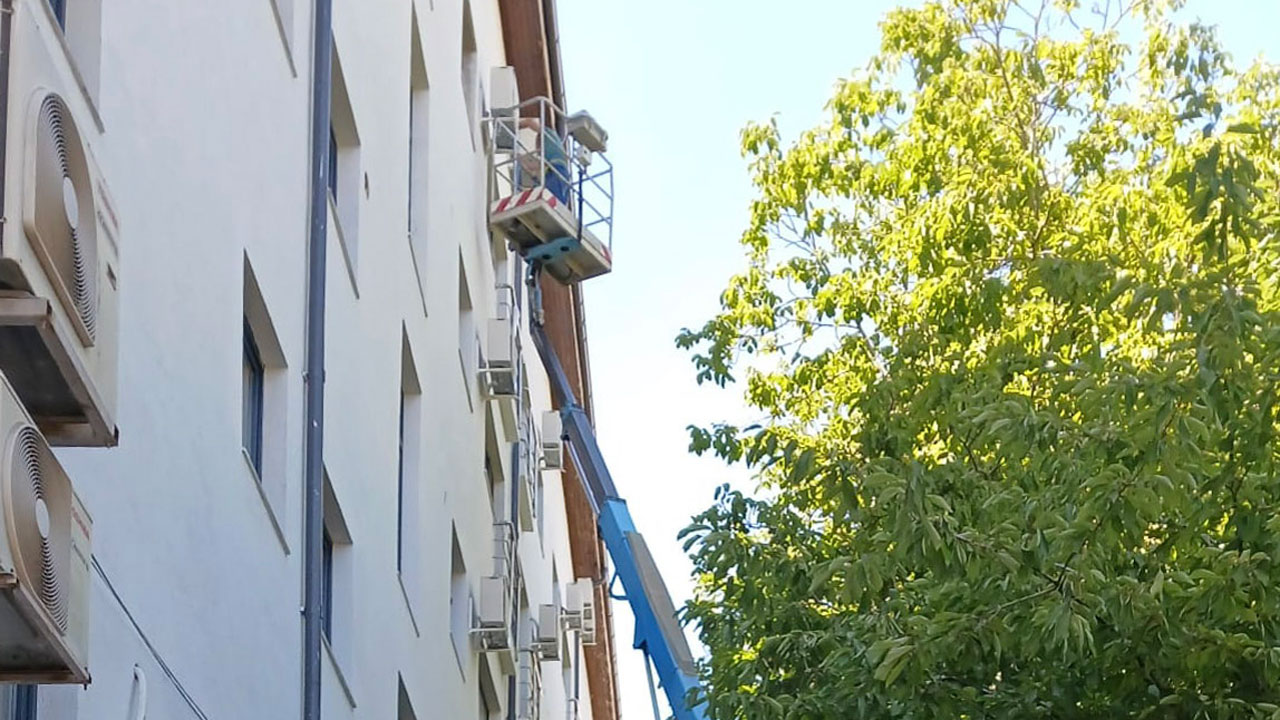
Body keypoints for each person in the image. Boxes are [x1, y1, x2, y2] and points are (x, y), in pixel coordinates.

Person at [518, 116, 572, 204]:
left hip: (557, 171)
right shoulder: (552, 152)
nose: (538, 150)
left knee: (552, 199)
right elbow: (536, 167)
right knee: (554, 199)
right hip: (557, 173)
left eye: (538, 147)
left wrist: (515, 126)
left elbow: (530, 121)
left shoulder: (549, 134)